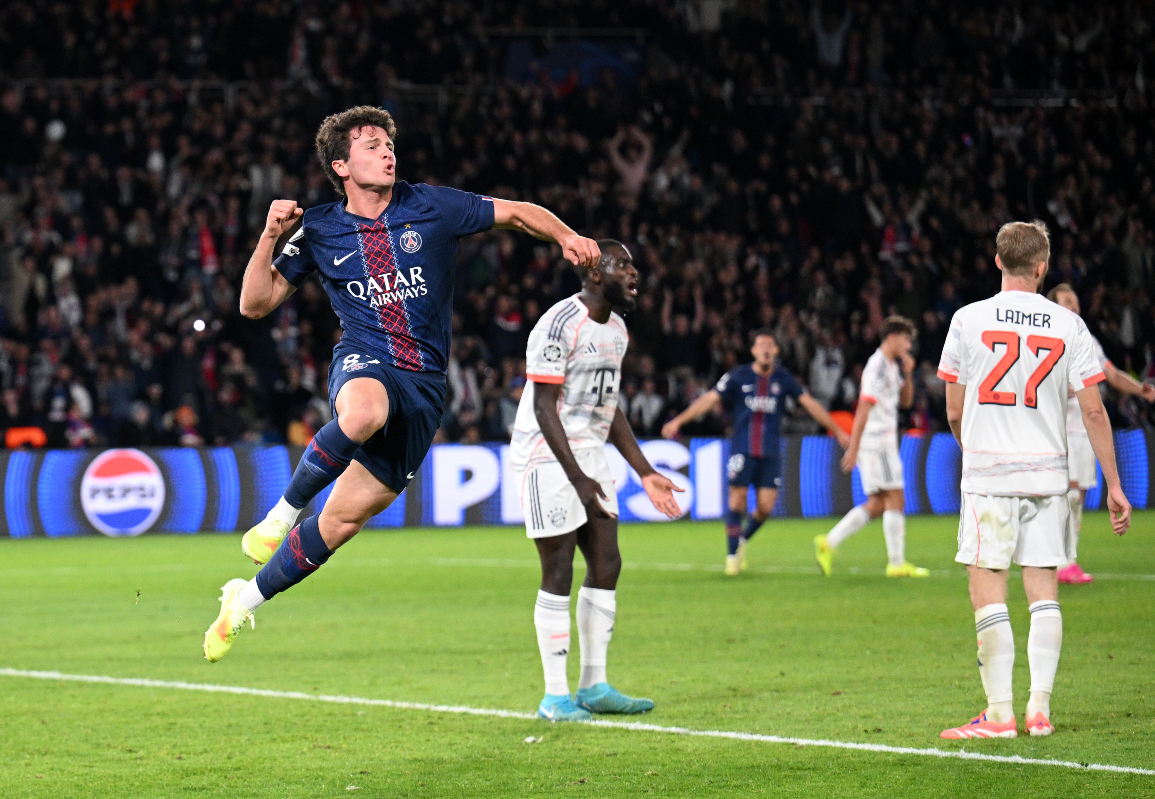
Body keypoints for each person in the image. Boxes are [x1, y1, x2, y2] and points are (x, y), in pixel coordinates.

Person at [204, 106, 601, 661]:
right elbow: (254, 303)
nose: (387, 152)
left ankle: (242, 601)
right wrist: (270, 236)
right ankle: (280, 516)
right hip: (366, 361)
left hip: (425, 390)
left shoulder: (432, 205)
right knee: (363, 413)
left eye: (388, 144)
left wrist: (565, 234)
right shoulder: (318, 227)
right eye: (371, 145)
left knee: (340, 523)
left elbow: (515, 213)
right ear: (341, 166)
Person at [936, 221, 1130, 740]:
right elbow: (1094, 411)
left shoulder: (967, 319)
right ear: (1042, 267)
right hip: (1047, 476)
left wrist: (974, 447)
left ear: (998, 260)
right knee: (1044, 592)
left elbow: (953, 409)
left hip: (989, 476)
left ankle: (999, 714)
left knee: (988, 591)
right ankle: (1039, 709)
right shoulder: (1068, 325)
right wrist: (1114, 484)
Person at [512, 240, 683, 722]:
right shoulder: (559, 323)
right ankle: (554, 697)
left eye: (633, 265)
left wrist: (645, 471)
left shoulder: (618, 331)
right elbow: (544, 407)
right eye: (622, 265)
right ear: (593, 274)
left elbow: (608, 407)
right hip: (545, 455)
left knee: (607, 563)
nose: (633, 273)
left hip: (588, 451)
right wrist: (578, 479)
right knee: (559, 569)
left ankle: (594, 685)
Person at [661, 330, 850, 576]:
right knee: (737, 498)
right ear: (753, 351)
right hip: (742, 448)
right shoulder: (738, 376)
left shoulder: (784, 379)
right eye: (761, 345)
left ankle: (741, 540)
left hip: (770, 452)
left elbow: (810, 404)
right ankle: (732, 558)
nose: (766, 349)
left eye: (770, 345)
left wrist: (836, 429)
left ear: (776, 351)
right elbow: (709, 399)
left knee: (765, 508)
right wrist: (679, 421)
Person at [1046, 283, 1155, 584]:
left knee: (1076, 495)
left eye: (1075, 301)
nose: (1074, 306)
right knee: (1064, 495)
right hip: (1054, 429)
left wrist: (1141, 390)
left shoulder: (1086, 339)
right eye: (1066, 301)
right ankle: (1059, 561)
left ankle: (1066, 559)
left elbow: (1112, 374)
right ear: (1052, 306)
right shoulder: (1043, 337)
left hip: (1082, 430)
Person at [815, 316, 930, 577]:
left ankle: (828, 543)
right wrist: (854, 448)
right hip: (878, 441)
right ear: (892, 337)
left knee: (877, 503)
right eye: (906, 339)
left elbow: (906, 402)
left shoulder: (890, 366)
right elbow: (863, 408)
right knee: (896, 498)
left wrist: (908, 373)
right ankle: (897, 564)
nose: (909, 345)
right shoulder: (877, 366)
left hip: (881, 440)